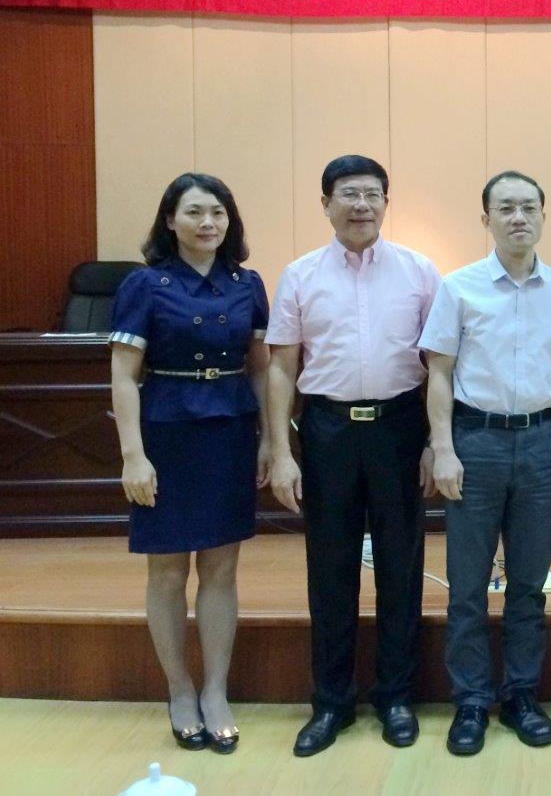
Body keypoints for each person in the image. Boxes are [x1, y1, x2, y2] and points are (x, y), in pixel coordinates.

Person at [265, 155, 441, 756]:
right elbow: (281, 367)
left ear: (387, 203)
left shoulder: (419, 272)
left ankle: (396, 697)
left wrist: (433, 443)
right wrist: (281, 452)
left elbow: (440, 366)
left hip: (400, 428)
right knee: (330, 569)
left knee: (400, 566)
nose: (361, 205)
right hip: (328, 431)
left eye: (372, 194)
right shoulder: (299, 275)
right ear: (325, 204)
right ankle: (332, 703)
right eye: (348, 194)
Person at [420, 171, 551, 756]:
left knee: (528, 583)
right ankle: (471, 699)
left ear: (543, 215)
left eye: (528, 207)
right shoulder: (458, 287)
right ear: (486, 219)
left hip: (541, 444)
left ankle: (521, 694)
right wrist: (443, 448)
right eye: (506, 208)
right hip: (476, 442)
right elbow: (439, 373)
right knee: (467, 585)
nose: (518, 217)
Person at [109, 172, 269, 755]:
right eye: (195, 212)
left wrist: (270, 440)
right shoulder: (145, 284)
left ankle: (216, 691)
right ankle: (179, 691)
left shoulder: (247, 283)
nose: (208, 223)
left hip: (229, 429)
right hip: (167, 432)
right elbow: (123, 375)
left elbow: (259, 366)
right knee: (168, 571)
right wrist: (133, 456)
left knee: (222, 570)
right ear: (170, 220)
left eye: (218, 213)